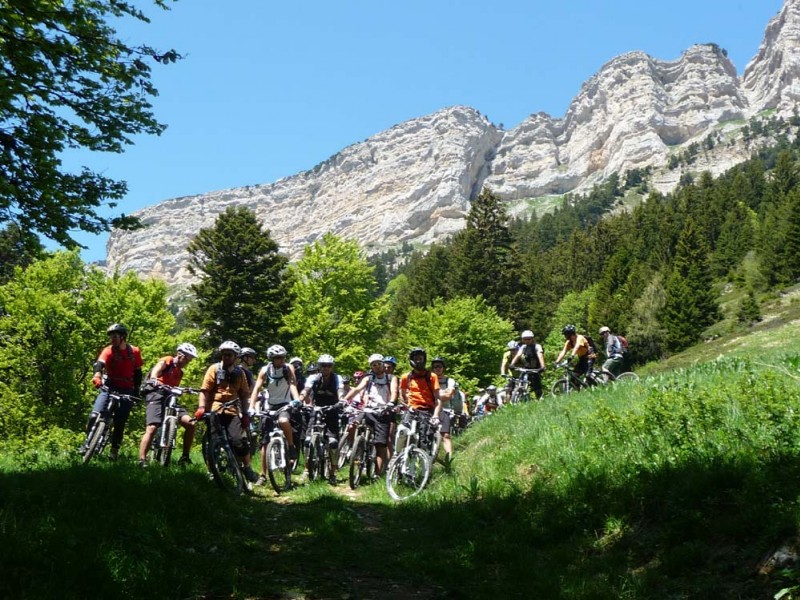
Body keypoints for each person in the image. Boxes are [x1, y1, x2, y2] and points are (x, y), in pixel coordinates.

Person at [195, 341, 258, 483]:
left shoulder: (240, 373)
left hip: (232, 409)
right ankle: (212, 471)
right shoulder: (214, 369)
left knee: (237, 440)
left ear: (236, 357)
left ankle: (247, 467)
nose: (226, 357)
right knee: (213, 442)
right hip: (215, 409)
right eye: (223, 355)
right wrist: (201, 408)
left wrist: (246, 414)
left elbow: (244, 395)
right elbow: (204, 391)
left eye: (229, 355)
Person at [80, 323, 143, 460]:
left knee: (120, 422)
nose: (112, 339)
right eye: (110, 337)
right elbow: (99, 364)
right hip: (109, 386)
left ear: (123, 337)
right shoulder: (108, 350)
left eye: (114, 336)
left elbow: (138, 372)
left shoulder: (134, 352)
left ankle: (114, 451)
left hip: (127, 389)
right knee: (94, 416)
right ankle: (88, 442)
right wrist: (97, 375)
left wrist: (137, 390)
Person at [137, 343, 198, 468]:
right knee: (152, 427)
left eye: (190, 359)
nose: (188, 361)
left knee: (191, 423)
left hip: (171, 398)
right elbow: (158, 368)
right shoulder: (168, 361)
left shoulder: (180, 373)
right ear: (179, 354)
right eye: (187, 357)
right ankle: (142, 459)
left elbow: (175, 387)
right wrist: (154, 378)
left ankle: (185, 456)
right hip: (157, 394)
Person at [248, 344, 301, 487]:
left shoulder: (288, 368)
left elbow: (292, 384)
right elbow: (257, 388)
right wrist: (252, 407)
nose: (282, 359)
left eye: (283, 357)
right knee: (265, 443)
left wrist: (296, 400)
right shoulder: (265, 370)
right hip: (269, 405)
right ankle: (263, 475)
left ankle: (290, 446)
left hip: (285, 404)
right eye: (278, 358)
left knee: (284, 421)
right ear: (272, 359)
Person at [344, 354, 398, 475]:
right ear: (371, 367)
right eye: (374, 365)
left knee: (380, 445)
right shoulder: (369, 378)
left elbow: (394, 391)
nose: (377, 367)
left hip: (383, 412)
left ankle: (377, 475)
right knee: (353, 424)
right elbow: (357, 389)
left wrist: (391, 403)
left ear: (383, 364)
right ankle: (357, 449)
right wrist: (344, 400)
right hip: (368, 410)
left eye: (379, 364)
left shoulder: (391, 378)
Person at [300, 353, 345, 483]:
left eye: (329, 366)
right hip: (316, 409)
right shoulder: (314, 377)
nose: (326, 368)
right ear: (319, 366)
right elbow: (306, 389)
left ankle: (332, 473)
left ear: (332, 367)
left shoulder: (337, 378)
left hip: (332, 410)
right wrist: (300, 399)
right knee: (308, 440)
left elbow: (340, 391)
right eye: (323, 365)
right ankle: (307, 470)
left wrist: (341, 401)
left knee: (332, 442)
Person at [398, 348, 442, 457]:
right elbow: (402, 394)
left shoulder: (432, 376)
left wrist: (436, 415)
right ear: (412, 360)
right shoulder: (405, 377)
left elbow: (438, 398)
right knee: (402, 431)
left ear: (424, 360)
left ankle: (424, 465)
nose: (419, 361)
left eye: (421, 358)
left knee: (425, 438)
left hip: (427, 410)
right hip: (412, 409)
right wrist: (407, 404)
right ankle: (397, 454)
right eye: (416, 359)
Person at [430, 356, 456, 464]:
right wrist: (441, 394)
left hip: (445, 410)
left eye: (439, 366)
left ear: (443, 367)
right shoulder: (429, 379)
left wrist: (435, 395)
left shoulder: (449, 380)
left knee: (445, 434)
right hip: (430, 409)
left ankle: (449, 459)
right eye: (435, 367)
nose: (437, 368)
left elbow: (449, 395)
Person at [510, 330, 546, 399]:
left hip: (535, 369)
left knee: (537, 387)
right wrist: (512, 364)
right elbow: (518, 355)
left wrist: (542, 366)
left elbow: (540, 355)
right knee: (520, 381)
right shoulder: (523, 347)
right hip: (526, 368)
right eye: (525, 339)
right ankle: (519, 396)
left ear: (532, 339)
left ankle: (540, 398)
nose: (527, 341)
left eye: (528, 339)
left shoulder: (537, 346)